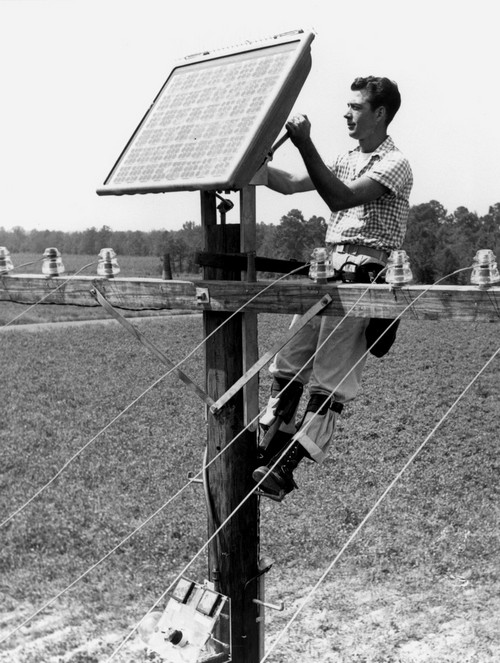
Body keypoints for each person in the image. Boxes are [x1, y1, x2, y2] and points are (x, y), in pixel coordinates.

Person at [253, 76, 413, 501]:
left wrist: (306, 143)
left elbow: (341, 198)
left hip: (363, 274)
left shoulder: (393, 162)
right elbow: (288, 182)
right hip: (326, 269)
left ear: (379, 113)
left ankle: (284, 469)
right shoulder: (344, 157)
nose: (347, 113)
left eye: (356, 107)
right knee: (288, 363)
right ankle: (264, 451)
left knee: (329, 379)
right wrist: (253, 161)